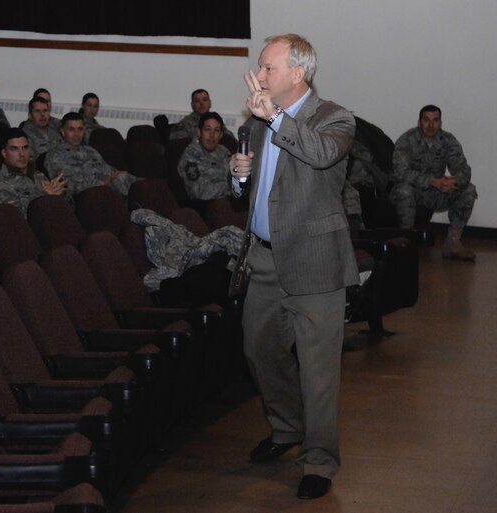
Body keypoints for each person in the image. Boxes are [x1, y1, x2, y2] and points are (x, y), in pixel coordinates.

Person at [228, 33, 357, 500]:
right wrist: (240, 176)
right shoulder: (262, 121)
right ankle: (286, 428)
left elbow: (320, 154)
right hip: (263, 257)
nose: (259, 76)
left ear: (297, 74)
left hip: (315, 263)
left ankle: (319, 461)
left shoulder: (334, 118)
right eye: (260, 68)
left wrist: (275, 116)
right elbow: (261, 188)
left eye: (268, 68)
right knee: (258, 351)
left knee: (318, 370)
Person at [389, 105, 477, 260]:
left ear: (440, 123)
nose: (431, 125)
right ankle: (405, 242)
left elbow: (464, 170)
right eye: (426, 120)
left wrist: (454, 181)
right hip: (413, 192)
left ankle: (453, 244)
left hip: (435, 193)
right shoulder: (407, 140)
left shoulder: (448, 140)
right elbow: (400, 174)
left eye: (435, 121)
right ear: (419, 122)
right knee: (404, 190)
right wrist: (432, 181)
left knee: (468, 190)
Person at [45, 112, 138, 197]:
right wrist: (104, 183)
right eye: (71, 129)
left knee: (127, 179)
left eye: (80, 129)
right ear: (62, 132)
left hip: (107, 195)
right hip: (83, 201)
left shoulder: (90, 151)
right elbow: (68, 186)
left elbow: (109, 171)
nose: (76, 134)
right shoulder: (54, 155)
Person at [0, 127, 67, 216]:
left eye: (25, 147)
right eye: (14, 149)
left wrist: (61, 194)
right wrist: (47, 197)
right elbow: (17, 219)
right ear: (4, 153)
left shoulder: (38, 175)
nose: (22, 154)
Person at [177, 111, 232, 201]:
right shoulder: (191, 155)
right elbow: (202, 193)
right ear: (199, 132)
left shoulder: (224, 152)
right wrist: (232, 188)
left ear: (221, 135)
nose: (212, 135)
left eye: (216, 130)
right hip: (205, 207)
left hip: (228, 203)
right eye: (207, 129)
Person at [21, 96, 61, 160]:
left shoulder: (57, 127)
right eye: (37, 111)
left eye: (45, 110)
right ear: (30, 116)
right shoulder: (25, 135)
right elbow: (30, 163)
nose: (42, 114)